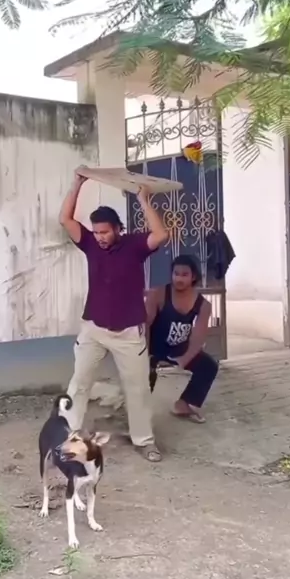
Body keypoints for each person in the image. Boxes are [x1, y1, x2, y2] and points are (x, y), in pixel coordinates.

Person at [59, 167, 168, 462]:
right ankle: (67, 434)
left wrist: (144, 200)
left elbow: (161, 234)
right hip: (93, 329)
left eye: (105, 232)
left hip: (128, 332)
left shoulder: (134, 246)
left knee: (137, 389)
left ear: (118, 228)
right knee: (79, 383)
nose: (100, 237)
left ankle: (144, 440)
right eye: (96, 232)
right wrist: (77, 183)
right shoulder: (90, 244)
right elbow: (66, 219)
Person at [146, 255, 218, 423]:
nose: (179, 279)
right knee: (144, 377)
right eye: (176, 274)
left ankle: (183, 405)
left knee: (209, 366)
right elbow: (145, 326)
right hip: (154, 348)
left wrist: (184, 360)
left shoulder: (203, 305)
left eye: (184, 275)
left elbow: (199, 337)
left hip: (179, 349)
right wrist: (145, 355)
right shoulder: (158, 294)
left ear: (193, 277)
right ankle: (137, 416)